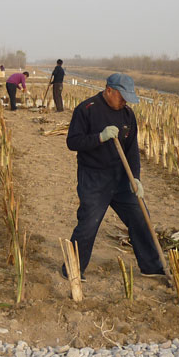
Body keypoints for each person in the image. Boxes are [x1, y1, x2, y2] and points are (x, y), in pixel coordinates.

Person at [62, 73, 165, 280]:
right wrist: (99, 138)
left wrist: (135, 178)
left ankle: (151, 266)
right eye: (122, 96)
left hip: (121, 177)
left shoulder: (128, 115)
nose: (125, 101)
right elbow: (73, 142)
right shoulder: (87, 109)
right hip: (93, 177)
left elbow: (132, 151)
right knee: (89, 222)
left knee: (141, 216)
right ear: (109, 90)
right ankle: (72, 269)